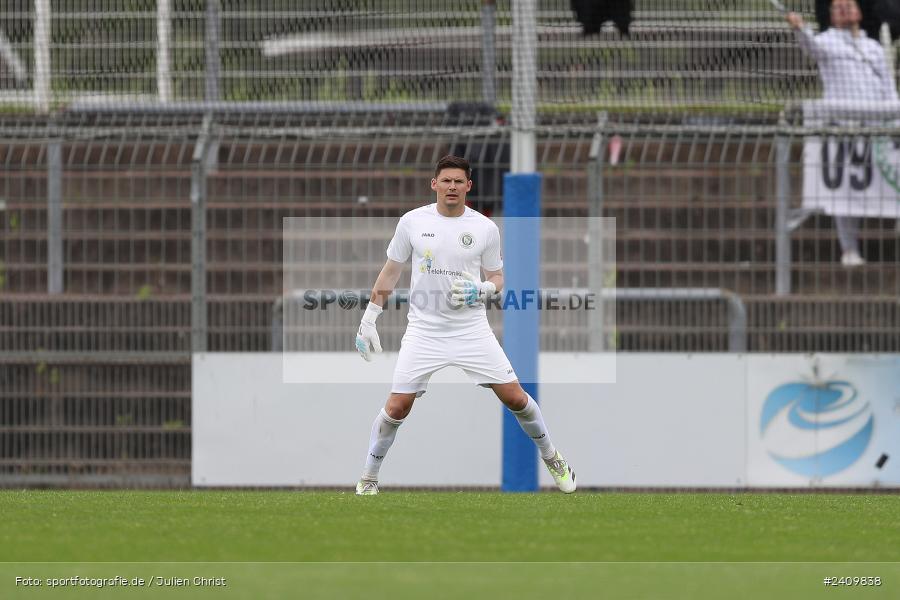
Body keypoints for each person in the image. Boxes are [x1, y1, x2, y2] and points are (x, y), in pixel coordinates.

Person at [352, 155, 575, 495]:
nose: (452, 187)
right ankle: (368, 479)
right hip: (424, 331)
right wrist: (370, 317)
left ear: (468, 186)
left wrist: (483, 289)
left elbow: (498, 277)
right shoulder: (412, 222)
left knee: (515, 398)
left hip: (470, 329)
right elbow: (391, 272)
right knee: (398, 406)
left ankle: (552, 457)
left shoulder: (485, 228)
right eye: (446, 181)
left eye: (459, 181)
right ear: (434, 184)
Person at [787, 0, 899, 266]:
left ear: (860, 11)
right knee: (846, 190)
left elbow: (888, 87)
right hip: (844, 126)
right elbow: (810, 47)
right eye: (838, 7)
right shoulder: (826, 41)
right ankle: (849, 249)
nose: (845, 9)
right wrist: (799, 29)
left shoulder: (873, 47)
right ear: (831, 15)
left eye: (849, 5)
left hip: (876, 125)